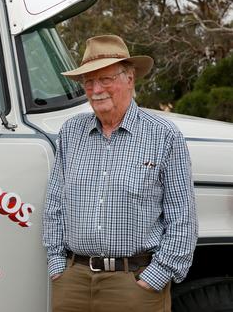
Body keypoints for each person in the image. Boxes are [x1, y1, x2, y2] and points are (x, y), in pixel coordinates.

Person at [42, 35, 198, 311]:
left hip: (134, 283)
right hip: (73, 282)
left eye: (105, 79)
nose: (95, 89)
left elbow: (182, 218)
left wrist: (158, 275)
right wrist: (57, 265)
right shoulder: (70, 133)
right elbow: (54, 204)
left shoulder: (164, 136)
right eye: (88, 82)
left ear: (130, 78)